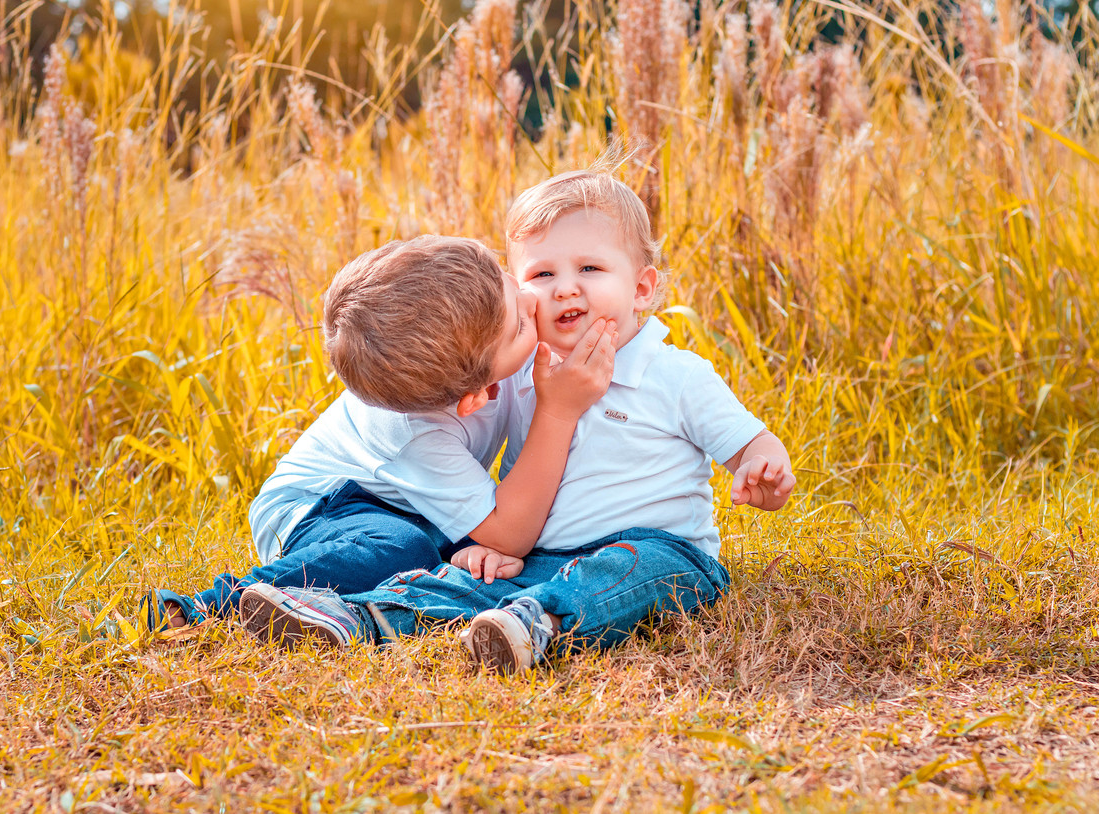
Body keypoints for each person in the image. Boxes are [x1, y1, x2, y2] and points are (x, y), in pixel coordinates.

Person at [237, 171, 796, 672]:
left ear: (642, 288)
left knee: (633, 572)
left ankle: (539, 623)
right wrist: (491, 547)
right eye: (542, 273)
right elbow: (518, 496)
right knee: (462, 581)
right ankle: (363, 616)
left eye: (590, 268)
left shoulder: (675, 375)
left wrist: (763, 467)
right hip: (535, 555)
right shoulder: (520, 380)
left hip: (661, 548)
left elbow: (749, 441)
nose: (564, 288)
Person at [143, 235, 616, 629]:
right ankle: (213, 606)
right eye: (520, 325)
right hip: (321, 507)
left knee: (448, 549)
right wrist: (558, 411)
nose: (531, 299)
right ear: (474, 397)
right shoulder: (415, 431)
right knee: (403, 547)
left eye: (507, 280)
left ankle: (375, 589)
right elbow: (510, 533)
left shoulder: (482, 345)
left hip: (408, 502)